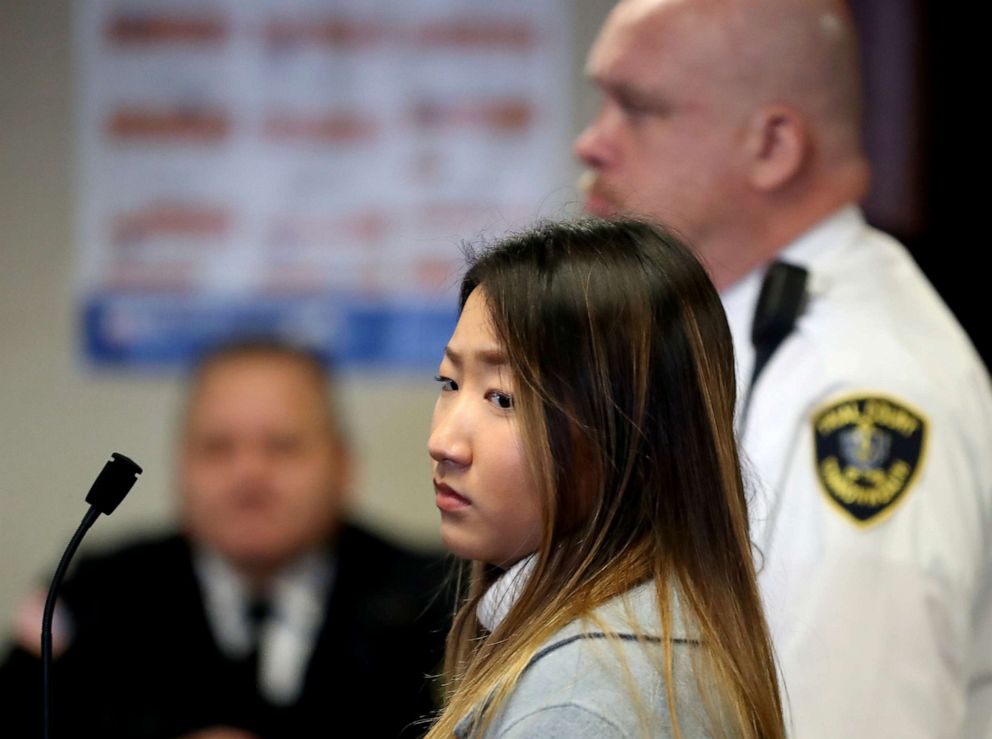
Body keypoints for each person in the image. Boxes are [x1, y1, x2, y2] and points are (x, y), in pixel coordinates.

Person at [575, 1, 992, 736]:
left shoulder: (855, 385)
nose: (592, 143)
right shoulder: (734, 336)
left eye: (637, 108)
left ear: (772, 145)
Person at [424, 219, 785, 738]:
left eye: (503, 398)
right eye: (449, 382)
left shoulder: (577, 702)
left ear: (632, 435)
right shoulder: (649, 643)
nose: (444, 443)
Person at [0, 340, 449, 738]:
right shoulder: (98, 594)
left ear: (343, 464)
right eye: (217, 447)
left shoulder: (438, 601)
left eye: (282, 445)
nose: (248, 475)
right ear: (180, 465)